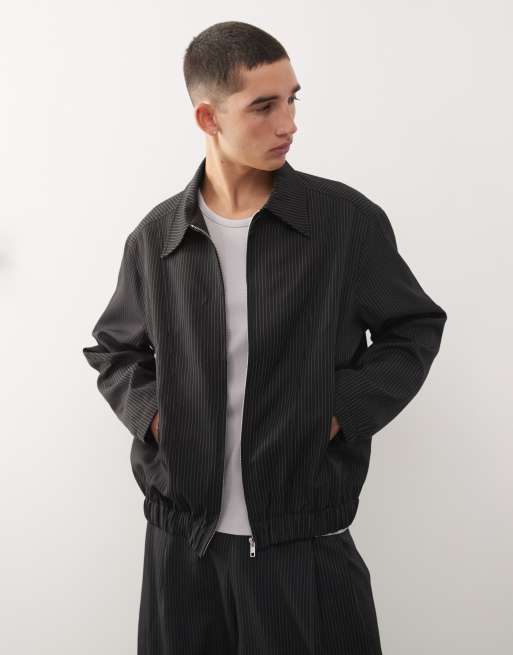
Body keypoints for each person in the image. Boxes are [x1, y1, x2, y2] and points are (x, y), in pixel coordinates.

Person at [82, 20, 448, 655]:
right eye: (264, 106)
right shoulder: (158, 238)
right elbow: (115, 350)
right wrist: (160, 420)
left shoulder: (343, 223)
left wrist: (337, 412)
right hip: (182, 551)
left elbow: (412, 328)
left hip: (304, 544)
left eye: (292, 100)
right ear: (208, 117)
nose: (289, 124)